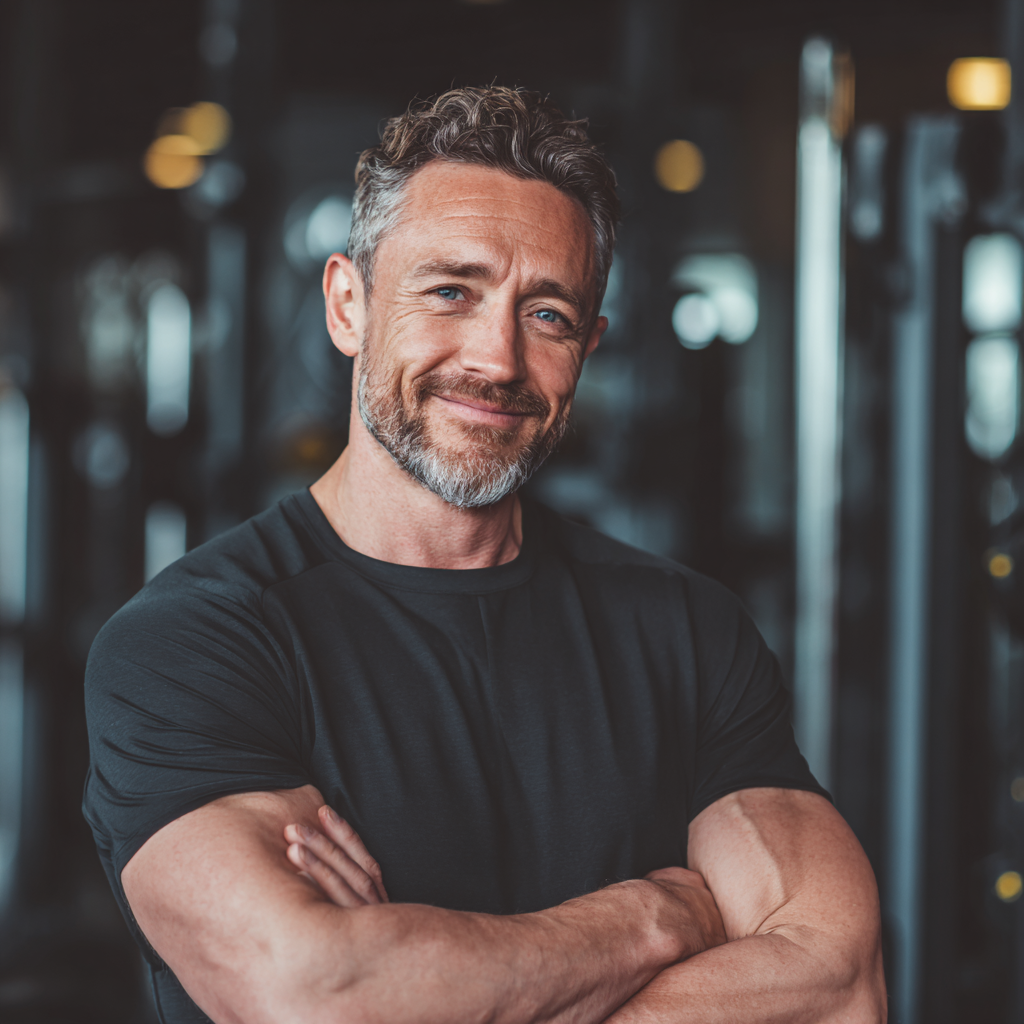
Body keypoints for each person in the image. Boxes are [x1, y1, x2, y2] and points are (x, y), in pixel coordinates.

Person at [83, 86, 885, 1024]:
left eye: (547, 314)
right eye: (450, 292)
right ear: (349, 304)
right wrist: (657, 915)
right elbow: (316, 992)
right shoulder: (194, 643)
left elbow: (836, 986)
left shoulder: (685, 632)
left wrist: (430, 984)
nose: (497, 359)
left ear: (591, 347)